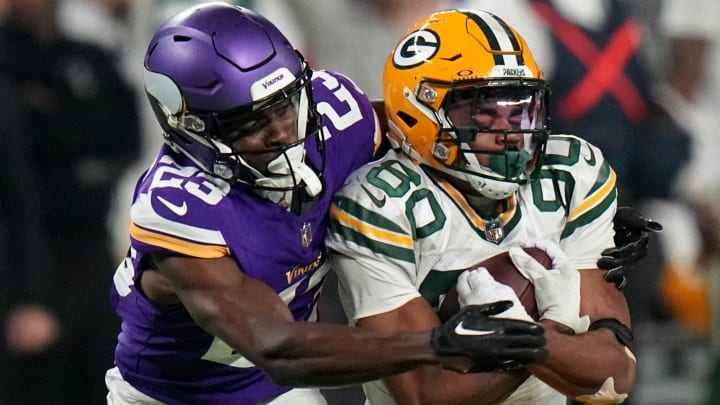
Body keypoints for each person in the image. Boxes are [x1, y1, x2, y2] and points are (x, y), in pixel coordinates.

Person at [105, 3, 550, 404]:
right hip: (170, 397)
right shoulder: (177, 207)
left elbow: (436, 136)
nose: (281, 130)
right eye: (249, 120)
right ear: (193, 130)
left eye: (285, 103)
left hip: (278, 393)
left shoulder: (335, 116)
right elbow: (277, 347)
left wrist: (582, 206)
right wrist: (438, 344)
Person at [326, 9, 638, 404]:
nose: (510, 135)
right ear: (419, 112)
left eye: (520, 112)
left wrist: (529, 336)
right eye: (484, 114)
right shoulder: (380, 204)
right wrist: (552, 333)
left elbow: (613, 380)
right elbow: (427, 395)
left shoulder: (571, 175)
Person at [0, 0, 140, 403]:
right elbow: (19, 179)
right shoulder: (9, 65)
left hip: (96, 247)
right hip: (33, 256)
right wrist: (28, 295)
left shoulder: (89, 56)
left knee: (103, 374)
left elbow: (125, 133)